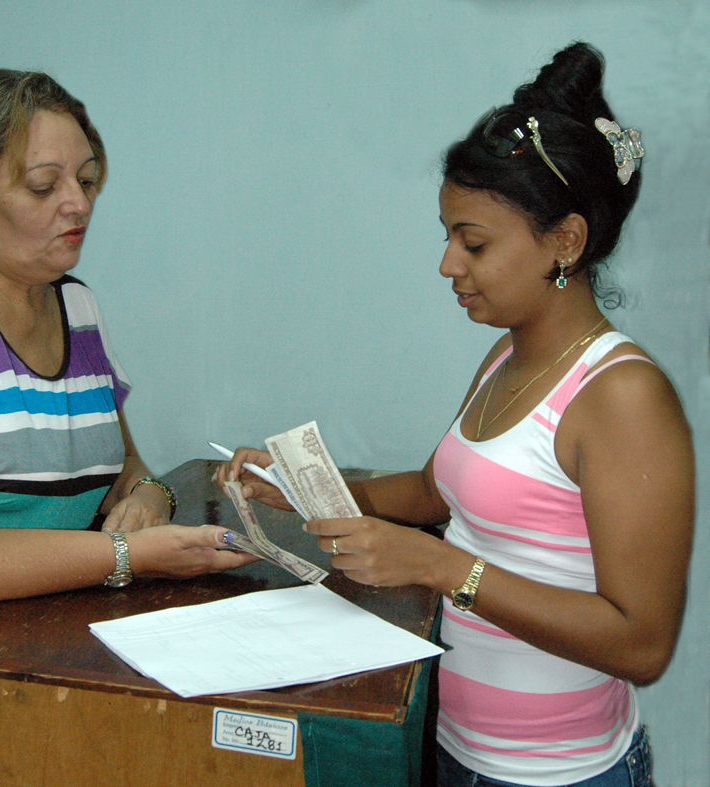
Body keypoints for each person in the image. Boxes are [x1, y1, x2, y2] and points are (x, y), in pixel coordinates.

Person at [217, 43, 693, 786]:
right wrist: (303, 484)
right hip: (456, 750)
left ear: (564, 240)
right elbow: (439, 494)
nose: (447, 264)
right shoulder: (506, 358)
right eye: (447, 236)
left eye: (472, 242)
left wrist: (443, 567)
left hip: (560, 775)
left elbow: (642, 642)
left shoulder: (623, 397)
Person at [0, 69, 254, 607]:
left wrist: (149, 496)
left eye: (87, 181)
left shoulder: (76, 306)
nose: (80, 204)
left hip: (31, 628)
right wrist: (123, 555)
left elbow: (122, 467)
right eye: (45, 186)